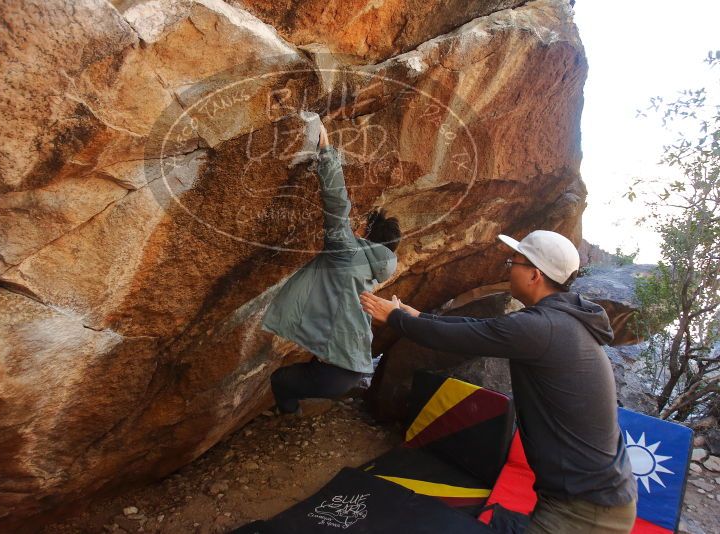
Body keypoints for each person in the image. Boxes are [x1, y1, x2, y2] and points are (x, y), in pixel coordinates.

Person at [359, 230, 638, 534]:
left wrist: (397, 319)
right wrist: (419, 317)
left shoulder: (541, 328)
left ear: (534, 275)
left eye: (513, 261)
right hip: (591, 497)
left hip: (587, 510)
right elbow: (480, 327)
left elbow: (461, 339)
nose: (508, 268)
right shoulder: (561, 322)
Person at [261, 114, 401, 416]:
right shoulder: (371, 270)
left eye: (363, 226)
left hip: (337, 372)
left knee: (281, 380)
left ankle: (290, 418)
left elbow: (337, 204)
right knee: (307, 368)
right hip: (352, 367)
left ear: (367, 233)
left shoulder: (347, 253)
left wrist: (326, 150)